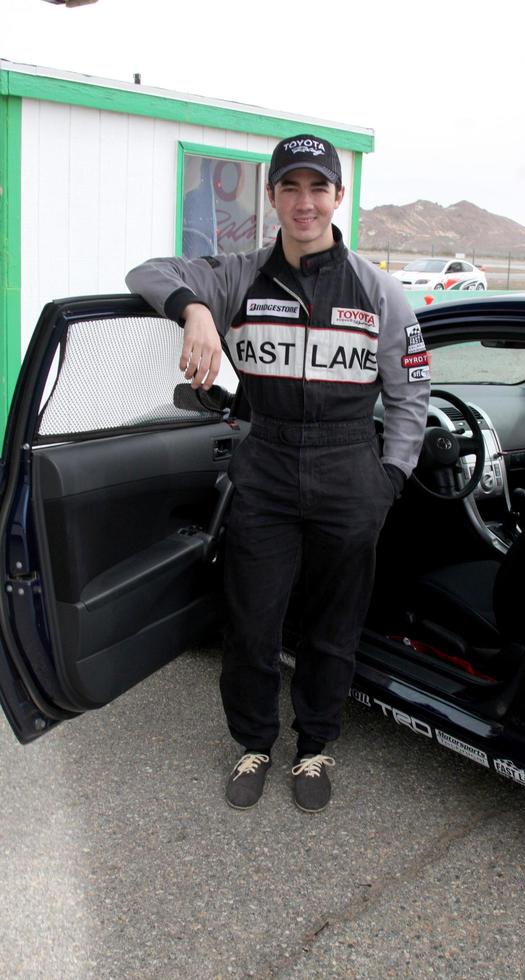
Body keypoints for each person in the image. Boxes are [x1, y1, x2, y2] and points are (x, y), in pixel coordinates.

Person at [126, 134, 430, 813]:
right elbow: (146, 273)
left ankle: (315, 746)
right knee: (252, 623)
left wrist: (390, 480)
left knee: (332, 629)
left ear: (337, 198)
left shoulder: (378, 290)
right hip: (264, 464)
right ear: (271, 198)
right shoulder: (238, 275)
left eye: (317, 188)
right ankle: (255, 742)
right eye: (289, 188)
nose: (304, 202)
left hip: (350, 467)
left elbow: (411, 394)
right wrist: (196, 309)